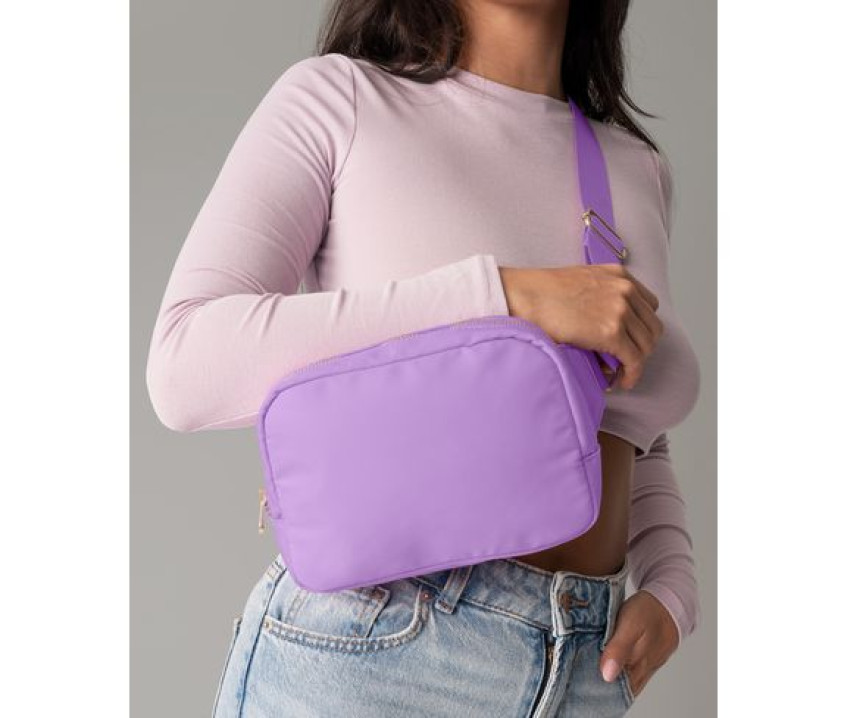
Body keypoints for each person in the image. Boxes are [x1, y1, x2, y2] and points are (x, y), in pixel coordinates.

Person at [145, 1, 702, 715]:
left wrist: (673, 588)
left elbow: (622, 417)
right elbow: (186, 364)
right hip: (380, 651)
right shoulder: (343, 101)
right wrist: (506, 296)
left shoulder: (635, 168)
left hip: (582, 667)